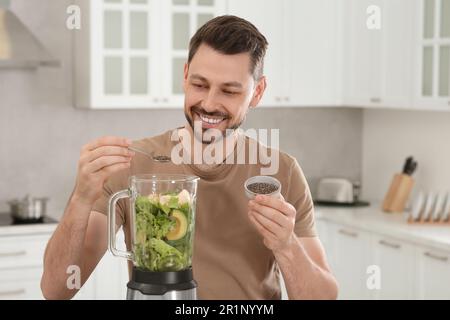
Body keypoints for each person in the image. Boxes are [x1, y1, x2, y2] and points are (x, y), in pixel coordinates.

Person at [41, 15, 338, 300]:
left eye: (229, 91)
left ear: (257, 92)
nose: (209, 103)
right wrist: (80, 199)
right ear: (185, 76)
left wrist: (287, 246)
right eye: (199, 85)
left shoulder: (282, 173)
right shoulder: (132, 165)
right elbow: (56, 290)